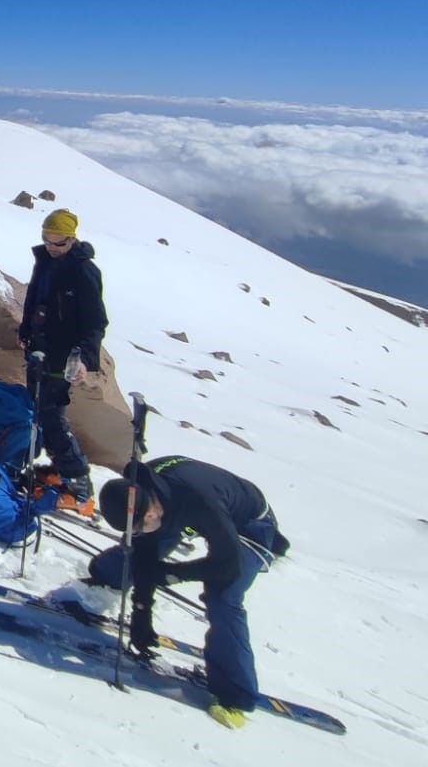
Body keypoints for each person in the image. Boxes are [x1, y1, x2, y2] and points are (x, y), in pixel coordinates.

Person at [94, 458, 289, 729]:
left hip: (250, 525)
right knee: (134, 556)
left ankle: (236, 696)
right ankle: (102, 579)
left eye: (142, 522)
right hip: (185, 509)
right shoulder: (141, 493)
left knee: (223, 597)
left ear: (150, 508)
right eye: (135, 527)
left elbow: (227, 566)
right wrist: (141, 612)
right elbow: (145, 560)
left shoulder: (198, 501)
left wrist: (171, 573)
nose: (142, 527)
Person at [16, 207, 106, 511]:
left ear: (72, 239)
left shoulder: (84, 271)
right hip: (38, 350)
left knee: (51, 416)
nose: (52, 247)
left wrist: (84, 359)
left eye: (59, 242)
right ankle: (55, 470)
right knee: (37, 411)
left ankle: (79, 483)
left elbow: (96, 322)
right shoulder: (43, 261)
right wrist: (25, 330)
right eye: (48, 240)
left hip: (63, 357)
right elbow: (34, 299)